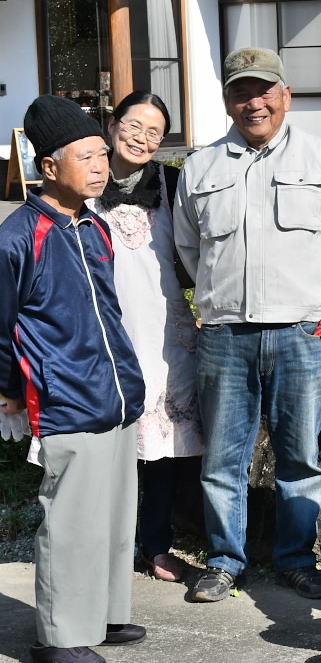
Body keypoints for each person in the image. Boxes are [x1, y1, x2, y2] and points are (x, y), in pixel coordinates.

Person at [174, 47, 321, 602]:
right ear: (228, 100)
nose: (252, 102)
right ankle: (225, 560)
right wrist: (216, 299)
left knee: (300, 457)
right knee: (222, 458)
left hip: (300, 334)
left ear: (285, 95)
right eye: (240, 92)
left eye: (263, 90)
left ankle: (297, 560)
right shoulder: (200, 166)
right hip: (224, 334)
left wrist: (317, 310)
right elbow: (188, 247)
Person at [0, 95, 147, 663]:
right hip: (64, 399)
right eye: (86, 156)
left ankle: (103, 616)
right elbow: (1, 324)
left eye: (102, 155)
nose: (100, 166)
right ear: (49, 166)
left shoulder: (95, 228)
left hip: (114, 397)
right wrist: (9, 392)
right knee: (70, 523)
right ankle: (60, 637)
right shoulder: (19, 236)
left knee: (112, 519)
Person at [88, 90, 203, 583]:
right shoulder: (84, 178)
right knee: (105, 446)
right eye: (134, 126)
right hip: (100, 331)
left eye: (154, 132)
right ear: (112, 125)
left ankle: (155, 546)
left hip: (165, 331)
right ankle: (102, 547)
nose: (142, 138)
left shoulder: (173, 183)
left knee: (163, 446)